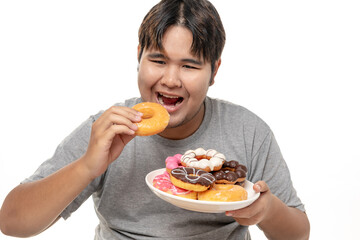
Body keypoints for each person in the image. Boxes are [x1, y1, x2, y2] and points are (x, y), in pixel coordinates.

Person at [0, 0, 310, 239]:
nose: (171, 79)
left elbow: (298, 233)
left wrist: (267, 210)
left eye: (189, 66)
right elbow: (11, 221)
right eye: (158, 60)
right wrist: (86, 167)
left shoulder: (247, 131)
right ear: (139, 57)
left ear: (214, 71)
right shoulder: (108, 129)